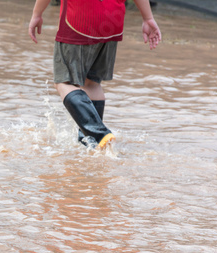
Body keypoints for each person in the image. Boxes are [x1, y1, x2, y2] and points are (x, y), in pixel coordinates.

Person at [29, 0, 161, 149]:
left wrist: (37, 14)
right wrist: (148, 18)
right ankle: (90, 145)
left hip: (79, 20)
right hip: (112, 22)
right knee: (91, 83)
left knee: (64, 83)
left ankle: (99, 134)